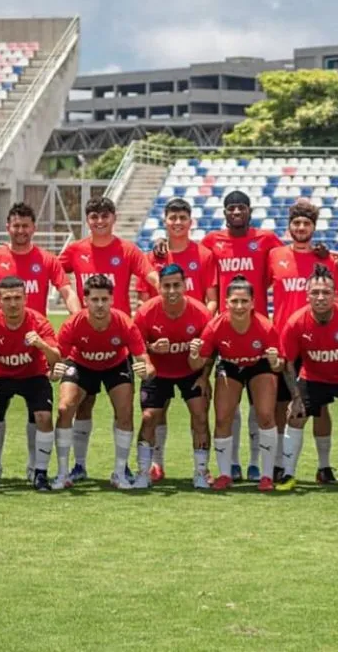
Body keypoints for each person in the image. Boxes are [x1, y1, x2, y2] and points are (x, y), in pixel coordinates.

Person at [58, 197, 158, 484]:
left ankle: (121, 467)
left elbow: (153, 276)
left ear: (114, 218)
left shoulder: (127, 250)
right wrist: (75, 311)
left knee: (123, 409)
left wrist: (168, 289)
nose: (99, 221)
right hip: (84, 342)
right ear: (87, 220)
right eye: (93, 216)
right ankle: (78, 466)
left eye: (104, 216)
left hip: (119, 341)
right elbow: (51, 270)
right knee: (81, 405)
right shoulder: (76, 250)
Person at [0, 201, 80, 481]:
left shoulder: (47, 259)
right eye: (16, 225)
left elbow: (66, 290)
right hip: (0, 344)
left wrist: (78, 318)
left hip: (37, 342)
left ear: (34, 228)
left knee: (37, 411)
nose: (21, 230)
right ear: (7, 227)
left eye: (26, 226)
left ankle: (34, 468)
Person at [200, 190, 282, 482]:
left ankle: (258, 465)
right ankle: (231, 464)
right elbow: (191, 262)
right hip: (226, 333)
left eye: (241, 207)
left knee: (261, 411)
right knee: (227, 409)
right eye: (231, 208)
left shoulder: (267, 240)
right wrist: (160, 250)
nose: (236, 212)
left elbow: (290, 260)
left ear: (249, 210)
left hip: (258, 331)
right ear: (224, 212)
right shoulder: (211, 241)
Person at [277, 265, 338, 492]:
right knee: (295, 416)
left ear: (334, 295)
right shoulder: (295, 322)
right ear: (307, 295)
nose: (320, 297)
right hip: (313, 377)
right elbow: (288, 363)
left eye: (326, 292)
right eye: (315, 293)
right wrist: (295, 398)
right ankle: (288, 474)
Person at [140, 198, 218, 483]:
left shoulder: (205, 255)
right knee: (157, 412)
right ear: (165, 221)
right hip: (162, 347)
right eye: (172, 218)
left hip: (193, 345)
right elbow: (144, 299)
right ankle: (155, 465)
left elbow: (212, 300)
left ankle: (202, 470)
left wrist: (200, 332)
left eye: (182, 218)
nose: (177, 223)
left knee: (199, 412)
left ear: (190, 221)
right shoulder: (155, 255)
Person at [53, 274, 154, 490]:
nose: (99, 305)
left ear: (112, 299)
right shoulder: (72, 324)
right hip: (81, 364)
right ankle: (63, 473)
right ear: (85, 300)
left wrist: (146, 371)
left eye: (104, 300)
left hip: (115, 365)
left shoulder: (124, 323)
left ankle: (119, 473)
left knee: (125, 413)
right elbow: (56, 360)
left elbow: (145, 360)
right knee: (64, 407)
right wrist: (52, 371)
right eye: (94, 300)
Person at [0, 277, 62, 491]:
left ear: (25, 298)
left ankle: (40, 473)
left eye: (18, 297)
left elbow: (56, 358)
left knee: (43, 417)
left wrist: (41, 344)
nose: (13, 303)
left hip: (34, 375)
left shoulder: (39, 322)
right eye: (7, 298)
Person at [188, 275, 283, 491]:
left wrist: (275, 361)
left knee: (266, 415)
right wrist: (194, 354)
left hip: (259, 365)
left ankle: (266, 476)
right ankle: (224, 474)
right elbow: (197, 363)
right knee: (222, 418)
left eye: (244, 301)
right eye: (234, 301)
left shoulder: (266, 327)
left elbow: (278, 366)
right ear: (226, 303)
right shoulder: (215, 326)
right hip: (229, 366)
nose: (239, 306)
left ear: (253, 303)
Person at [267, 199, 338, 484]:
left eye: (306, 223)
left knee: (319, 407)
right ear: (289, 227)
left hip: (317, 343)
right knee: (281, 405)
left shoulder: (326, 259)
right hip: (285, 341)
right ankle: (280, 464)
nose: (300, 227)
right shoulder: (274, 255)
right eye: (296, 223)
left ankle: (324, 466)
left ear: (313, 227)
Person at [134, 264, 212, 490]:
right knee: (149, 417)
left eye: (176, 285)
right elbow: (136, 346)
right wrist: (152, 349)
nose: (171, 291)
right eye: (166, 286)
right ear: (159, 287)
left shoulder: (201, 312)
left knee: (200, 415)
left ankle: (200, 471)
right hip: (158, 371)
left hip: (191, 372)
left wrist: (205, 376)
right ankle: (144, 471)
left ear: (185, 285)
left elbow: (211, 349)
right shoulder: (146, 312)